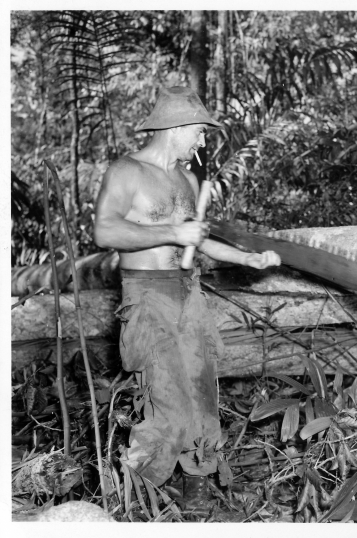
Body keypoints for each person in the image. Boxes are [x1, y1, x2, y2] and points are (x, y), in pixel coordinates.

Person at [94, 86, 280, 509]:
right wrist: (172, 232)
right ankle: (138, 494)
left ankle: (198, 482)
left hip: (188, 292)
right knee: (167, 400)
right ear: (174, 127)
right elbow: (105, 231)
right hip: (147, 294)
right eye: (198, 131)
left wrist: (247, 260)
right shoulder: (127, 171)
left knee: (202, 391)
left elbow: (201, 238)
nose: (201, 141)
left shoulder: (187, 179)